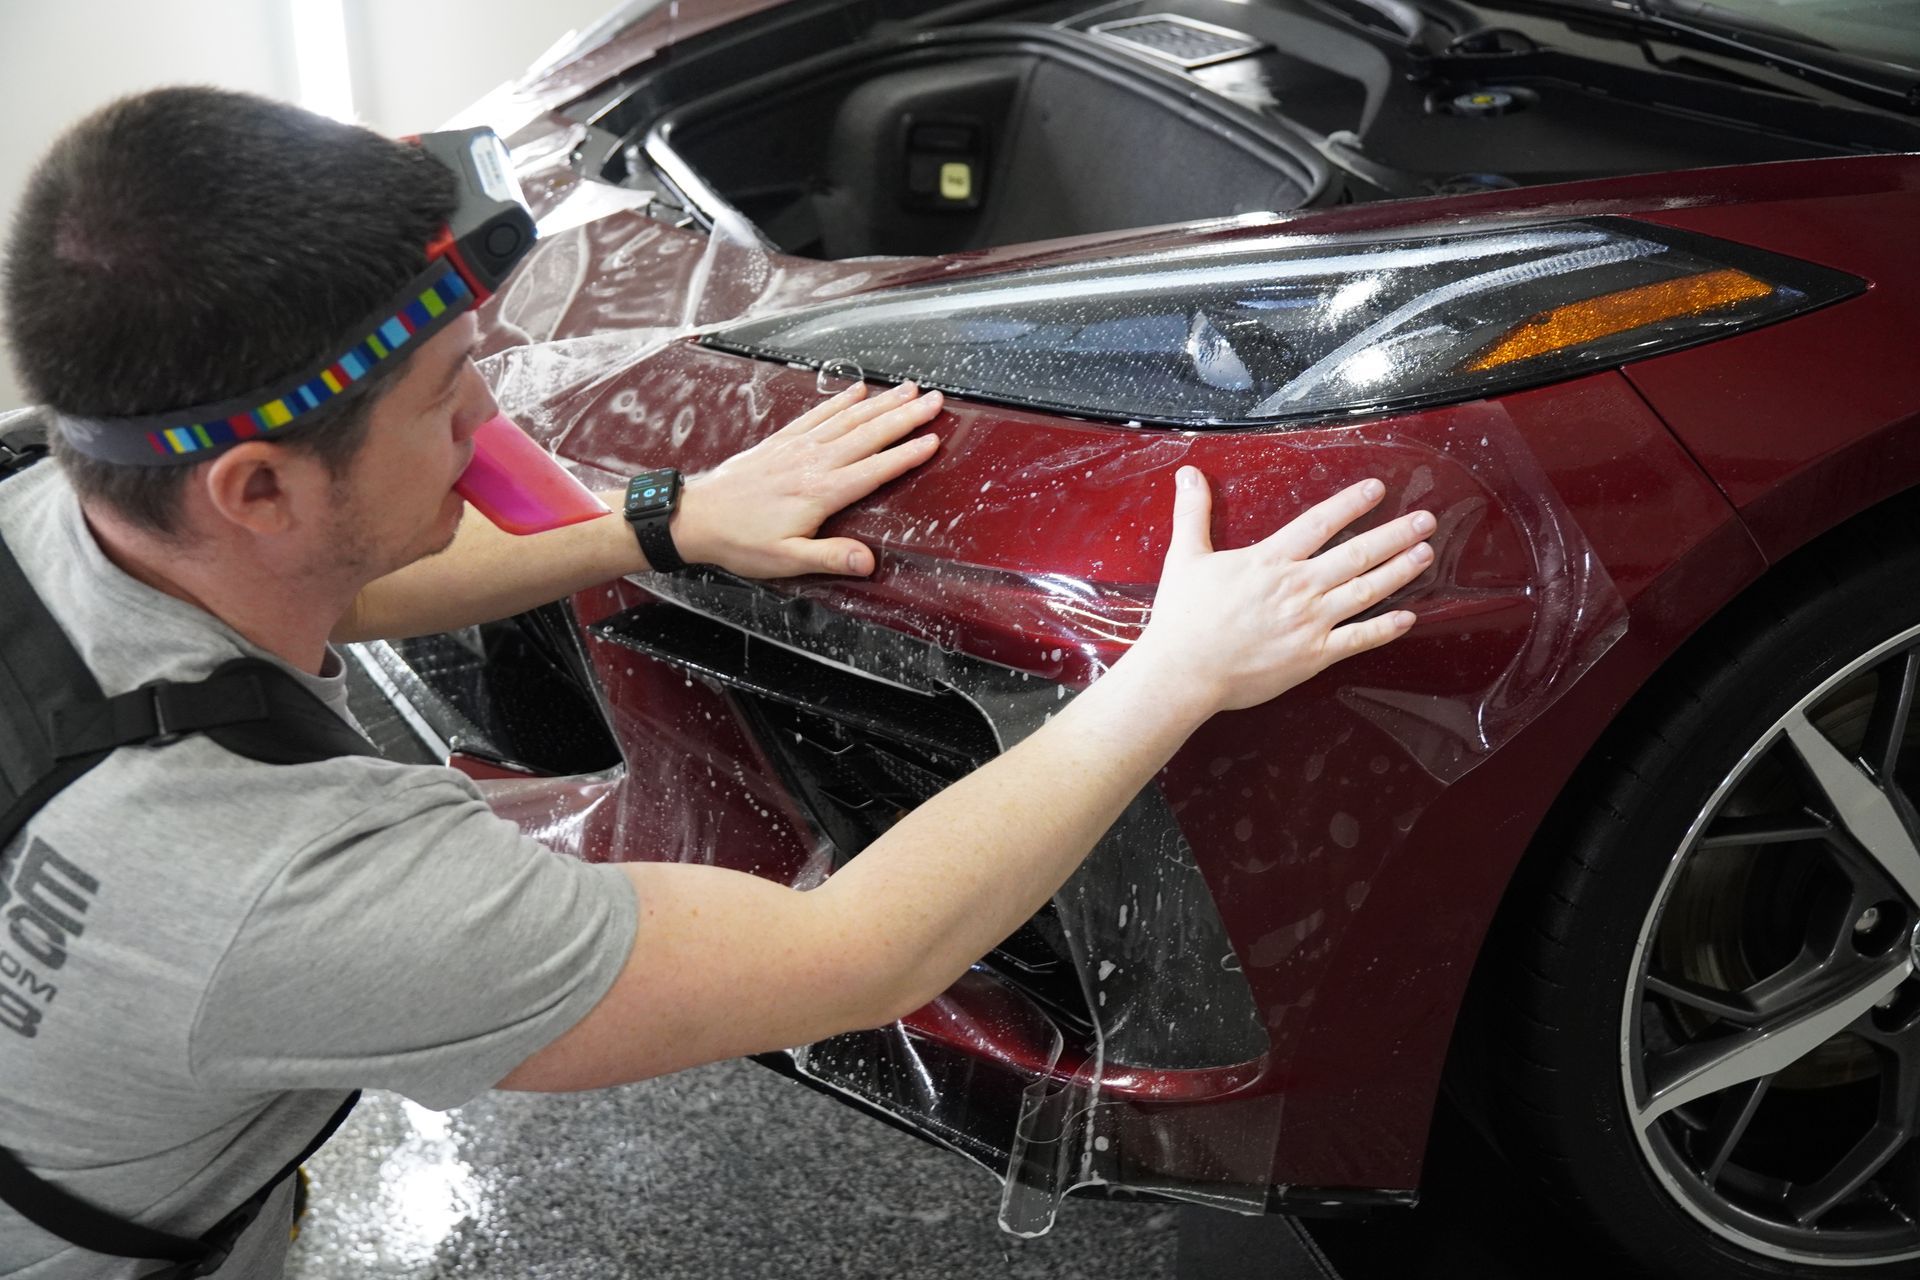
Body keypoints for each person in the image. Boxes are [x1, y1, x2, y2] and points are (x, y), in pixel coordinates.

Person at [0, 87, 1434, 1278]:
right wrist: (1168, 676)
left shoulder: (54, 494)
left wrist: (656, 522)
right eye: (447, 399)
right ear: (258, 485)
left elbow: (327, 577)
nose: (488, 421)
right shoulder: (283, 893)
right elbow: (853, 956)